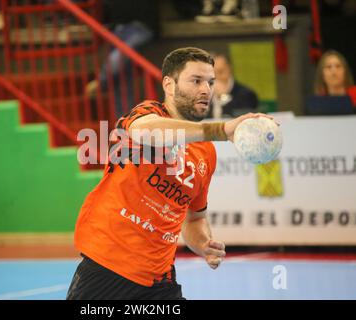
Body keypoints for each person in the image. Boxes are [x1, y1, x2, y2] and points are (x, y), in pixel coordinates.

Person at [67, 47, 275, 300]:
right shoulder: (145, 115)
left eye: (210, 82)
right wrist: (221, 130)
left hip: (159, 279)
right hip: (107, 268)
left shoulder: (205, 153)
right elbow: (145, 132)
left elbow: (194, 218)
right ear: (169, 84)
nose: (206, 90)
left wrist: (202, 243)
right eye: (196, 81)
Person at [209, 53, 258, 119]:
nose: (216, 77)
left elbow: (243, 121)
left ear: (229, 68)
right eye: (212, 73)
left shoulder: (246, 95)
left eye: (220, 71)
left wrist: (223, 97)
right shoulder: (203, 95)